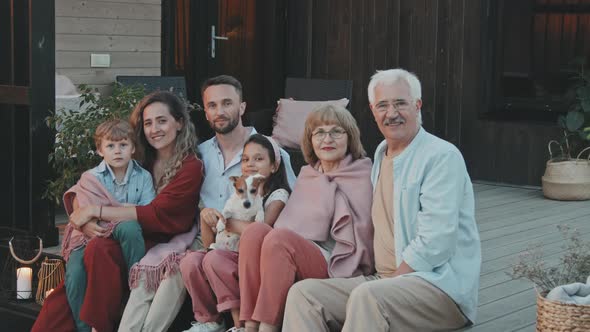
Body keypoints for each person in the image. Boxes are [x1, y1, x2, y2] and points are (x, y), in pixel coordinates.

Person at [282, 69, 482, 331]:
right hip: (382, 281)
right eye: (383, 105)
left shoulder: (441, 156)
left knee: (367, 297)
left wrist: (390, 281)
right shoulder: (379, 155)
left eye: (400, 103)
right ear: (372, 110)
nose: (392, 113)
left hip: (438, 287)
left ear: (417, 105)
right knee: (304, 294)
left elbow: (438, 241)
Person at [32, 90, 204, 332]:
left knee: (100, 250)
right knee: (67, 292)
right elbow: (86, 187)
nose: (154, 128)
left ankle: (101, 325)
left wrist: (96, 210)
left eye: (162, 121)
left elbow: (156, 214)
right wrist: (82, 218)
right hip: (122, 235)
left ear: (179, 123)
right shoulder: (139, 158)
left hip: (159, 239)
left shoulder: (190, 167)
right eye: (148, 123)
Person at [238, 104, 375, 332]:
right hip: (300, 250)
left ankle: (267, 328)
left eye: (336, 131)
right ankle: (248, 326)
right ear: (310, 140)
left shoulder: (364, 173)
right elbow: (292, 223)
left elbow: (365, 232)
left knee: (279, 240)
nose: (327, 139)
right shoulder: (308, 174)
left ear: (349, 137)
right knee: (255, 232)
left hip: (337, 260)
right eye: (319, 132)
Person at [180, 134, 291, 332]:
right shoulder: (237, 194)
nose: (250, 164)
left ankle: (239, 323)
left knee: (215, 260)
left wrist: (227, 222)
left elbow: (259, 231)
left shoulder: (278, 196)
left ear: (274, 166)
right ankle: (210, 320)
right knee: (190, 262)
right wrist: (207, 219)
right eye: (246, 159)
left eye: (259, 159)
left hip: (252, 261)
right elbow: (210, 245)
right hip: (227, 252)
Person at [61, 119, 155, 332]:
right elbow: (83, 215)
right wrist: (125, 209)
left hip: (124, 230)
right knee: (75, 275)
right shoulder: (91, 177)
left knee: (130, 227)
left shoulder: (143, 177)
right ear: (100, 150)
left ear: (132, 148)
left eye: (123, 145)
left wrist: (112, 211)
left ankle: (136, 285)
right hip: (93, 234)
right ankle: (84, 327)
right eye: (110, 146)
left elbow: (147, 212)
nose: (117, 151)